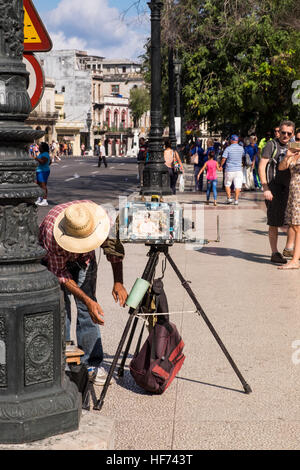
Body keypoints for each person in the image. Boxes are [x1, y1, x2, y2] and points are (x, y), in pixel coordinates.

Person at [38, 200, 128, 385]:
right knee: (60, 308)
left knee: (88, 310)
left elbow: (113, 251)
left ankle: (91, 363)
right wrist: (87, 299)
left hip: (84, 262)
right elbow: (59, 274)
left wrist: (118, 282)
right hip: (55, 263)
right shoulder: (51, 233)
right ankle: (63, 361)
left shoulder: (102, 219)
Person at [258, 120, 296, 265]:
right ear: (278, 132)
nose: (285, 135)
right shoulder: (271, 145)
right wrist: (265, 187)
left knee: (293, 221)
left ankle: (289, 248)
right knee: (274, 222)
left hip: (291, 188)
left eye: (289, 133)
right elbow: (262, 166)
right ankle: (274, 252)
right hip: (274, 188)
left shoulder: (294, 146)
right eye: (283, 132)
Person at [277, 145, 300, 269]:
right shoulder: (293, 155)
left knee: (297, 226)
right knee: (294, 225)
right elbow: (281, 168)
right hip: (293, 192)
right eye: (297, 138)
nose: (298, 142)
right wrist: (287, 156)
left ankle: (295, 260)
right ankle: (295, 259)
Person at [220, 135, 245, 205]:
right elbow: (243, 156)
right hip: (238, 170)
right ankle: (236, 200)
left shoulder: (228, 148)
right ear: (237, 140)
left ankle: (229, 198)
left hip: (229, 169)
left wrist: (220, 165)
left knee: (227, 184)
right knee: (238, 185)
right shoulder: (241, 148)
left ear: (231, 140)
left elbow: (223, 159)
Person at [34, 141, 51, 207]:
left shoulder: (45, 154)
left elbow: (43, 161)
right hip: (40, 170)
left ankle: (44, 200)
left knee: (43, 185)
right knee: (38, 185)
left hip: (43, 171)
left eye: (40, 146)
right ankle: (39, 198)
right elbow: (50, 162)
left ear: (43, 148)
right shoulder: (42, 153)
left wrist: (36, 158)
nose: (39, 147)